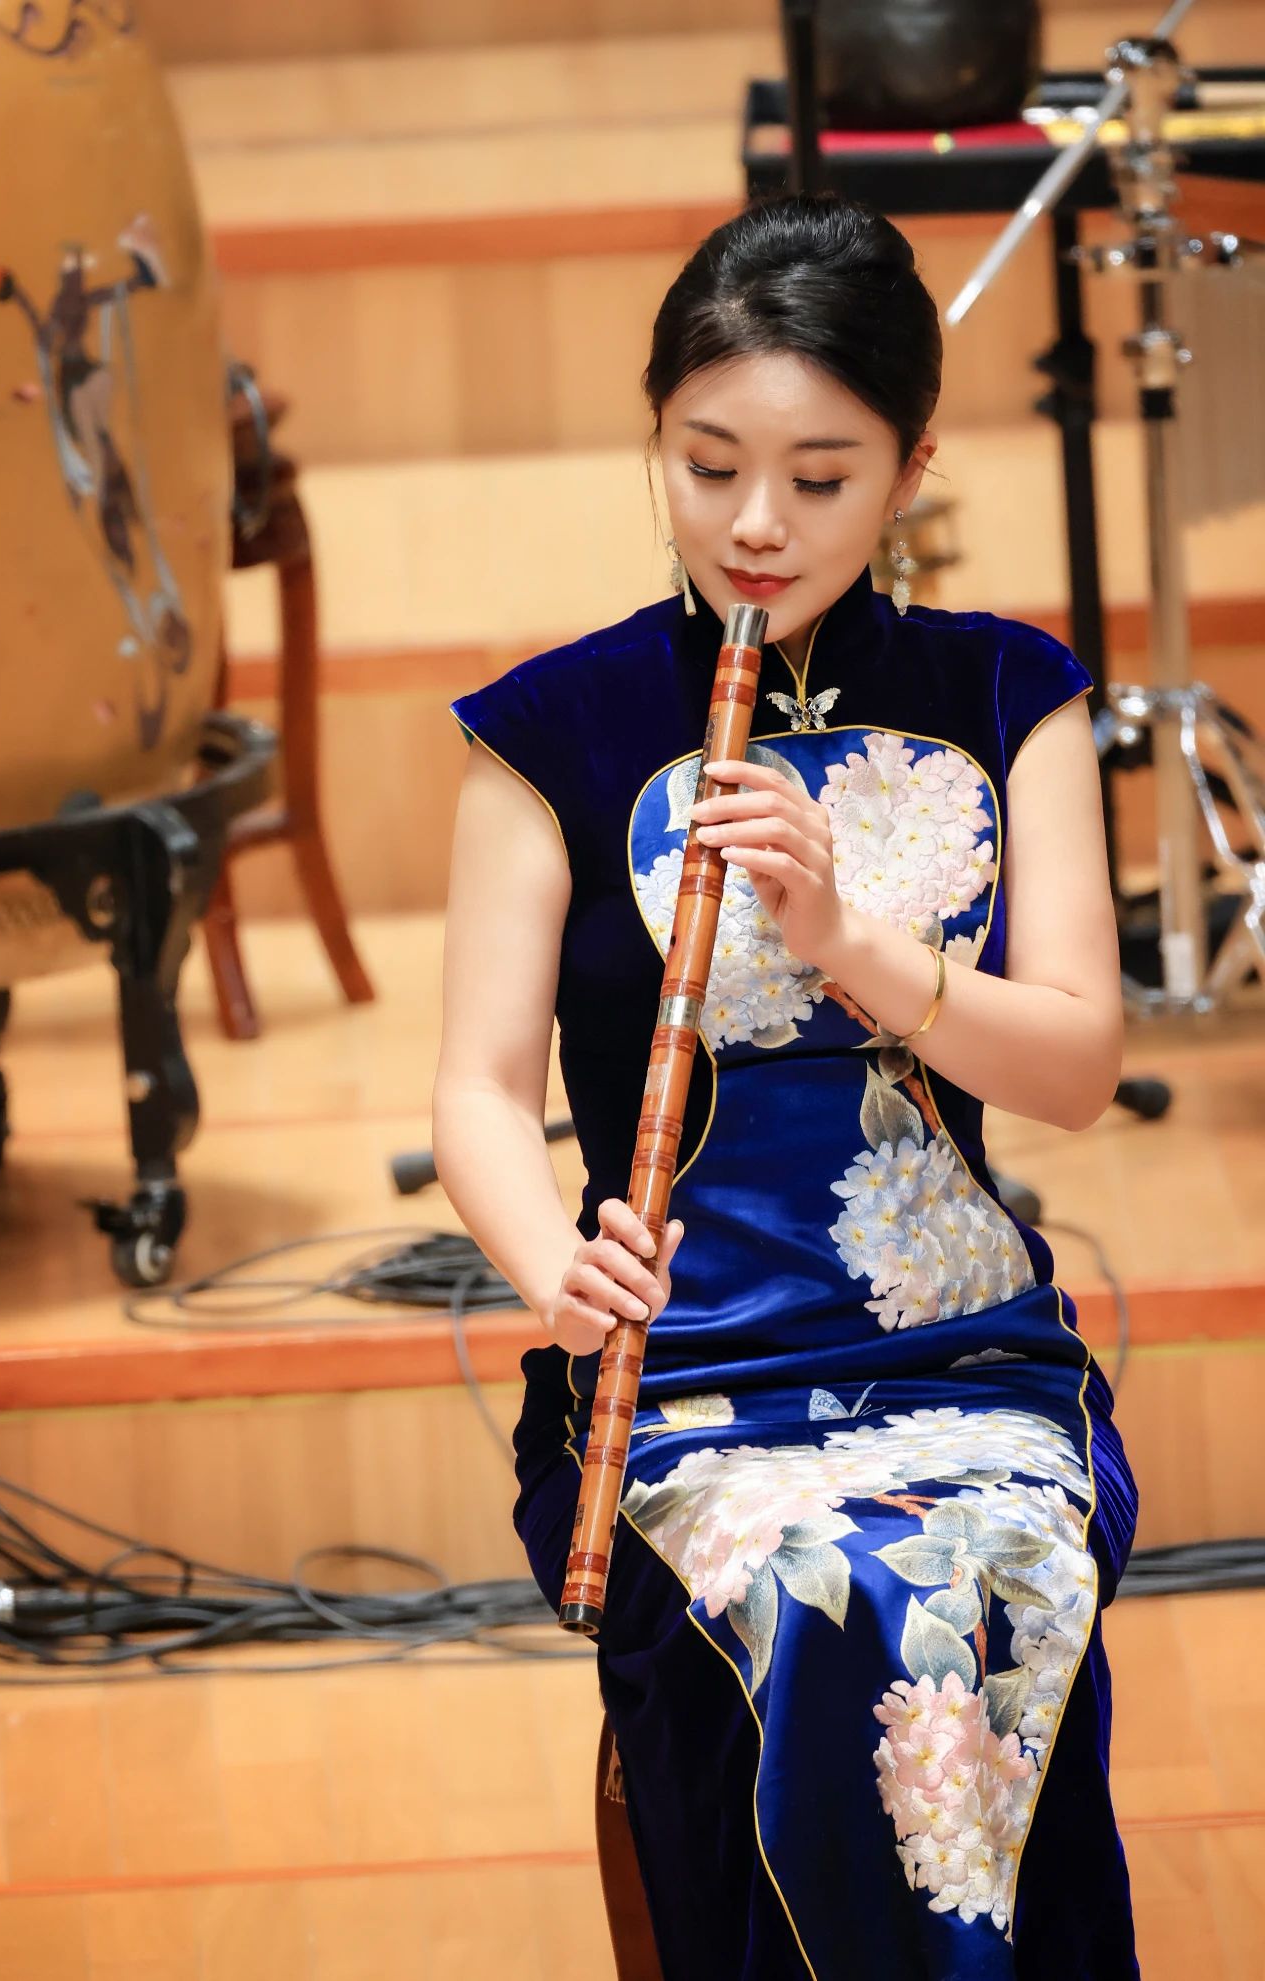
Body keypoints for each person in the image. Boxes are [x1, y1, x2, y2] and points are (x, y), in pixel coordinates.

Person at [432, 194, 1139, 1980]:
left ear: (910, 469)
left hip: (963, 1350)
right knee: (816, 1599)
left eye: (822, 477)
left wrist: (850, 940)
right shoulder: (554, 730)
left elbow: (1078, 1066)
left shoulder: (1013, 694)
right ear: (656, 438)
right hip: (676, 1369)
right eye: (708, 463)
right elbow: (479, 1092)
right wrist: (551, 1268)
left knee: (977, 1580)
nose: (756, 520)